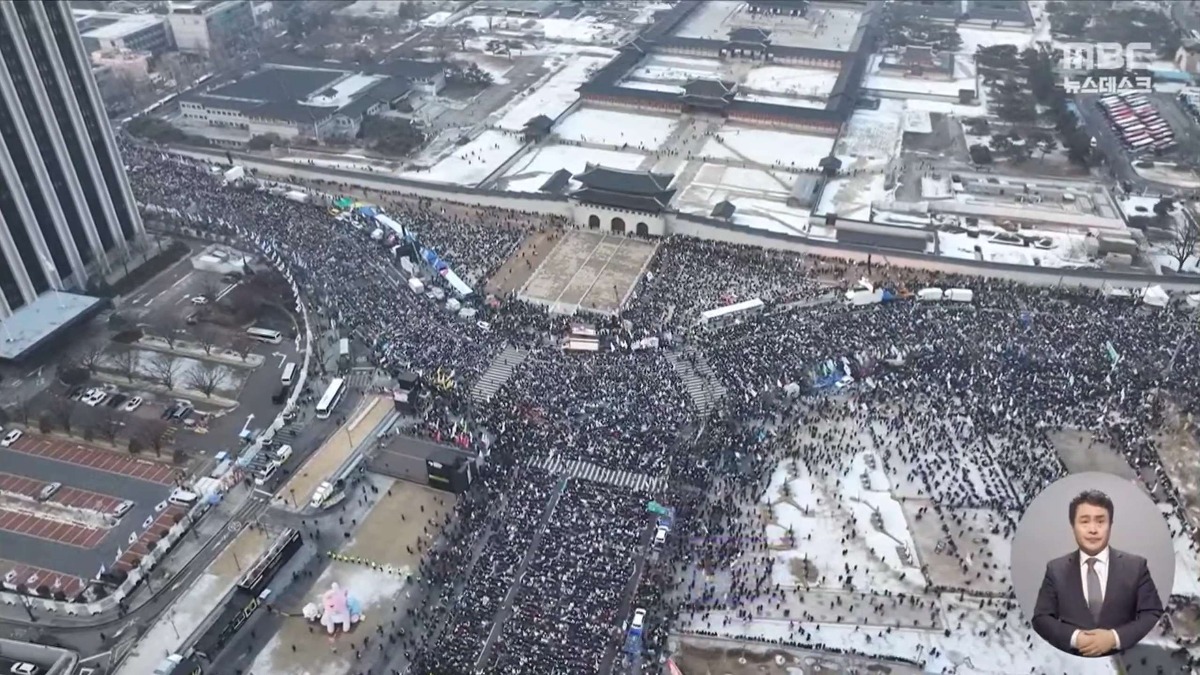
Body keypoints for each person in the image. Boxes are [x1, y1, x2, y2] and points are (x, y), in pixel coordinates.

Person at [1031, 489, 1163, 657]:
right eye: (1084, 522)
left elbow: (1152, 613)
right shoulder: (1056, 569)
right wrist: (1075, 638)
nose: (1093, 529)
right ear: (1073, 526)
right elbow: (1041, 618)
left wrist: (1114, 638)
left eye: (1100, 522)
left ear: (1111, 524)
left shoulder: (1136, 567)